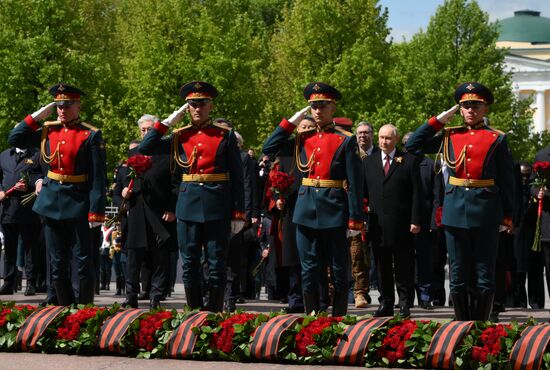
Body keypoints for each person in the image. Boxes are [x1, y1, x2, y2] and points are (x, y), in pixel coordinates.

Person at [405, 82, 515, 321]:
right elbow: (412, 145)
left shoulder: (497, 138)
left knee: (485, 272)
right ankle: (461, 325)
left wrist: (508, 216)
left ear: (485, 108)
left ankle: (481, 325)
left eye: (475, 105)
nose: (470, 110)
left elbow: (508, 182)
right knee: (458, 272)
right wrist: (439, 120)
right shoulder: (448, 135)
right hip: (455, 211)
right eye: (465, 106)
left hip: (486, 211)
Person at [139, 81, 244, 312]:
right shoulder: (179, 135)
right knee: (189, 264)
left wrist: (238, 212)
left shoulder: (224, 136)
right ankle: (194, 311)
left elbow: (237, 177)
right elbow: (145, 148)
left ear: (210, 106)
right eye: (192, 105)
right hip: (187, 205)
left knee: (216, 263)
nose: (197, 108)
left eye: (202, 104)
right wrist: (167, 122)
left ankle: (214, 311)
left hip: (217, 203)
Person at [263, 82, 363, 316]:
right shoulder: (301, 139)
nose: (317, 111)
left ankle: (338, 317)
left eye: (322, 106)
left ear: (333, 107)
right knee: (308, 267)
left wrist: (356, 219)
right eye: (313, 107)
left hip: (334, 208)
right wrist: (292, 122)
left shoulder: (345, 140)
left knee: (338, 268)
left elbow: (356, 184)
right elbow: (269, 146)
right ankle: (312, 317)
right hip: (306, 209)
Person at [8, 83, 107, 305]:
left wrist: (96, 211)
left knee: (83, 260)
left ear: (77, 106)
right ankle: (62, 307)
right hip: (52, 201)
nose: (61, 110)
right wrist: (37, 115)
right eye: (58, 106)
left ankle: (83, 308)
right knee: (57, 260)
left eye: (67, 105)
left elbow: (98, 177)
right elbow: (15, 138)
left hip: (79, 201)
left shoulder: (90, 134)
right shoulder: (47, 130)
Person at [364, 124, 421, 318]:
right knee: (382, 267)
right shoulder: (368, 162)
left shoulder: (408, 161)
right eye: (380, 137)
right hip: (378, 225)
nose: (383, 141)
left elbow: (417, 194)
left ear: (396, 139)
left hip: (402, 225)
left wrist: (416, 220)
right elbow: (363, 194)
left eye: (388, 138)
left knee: (404, 266)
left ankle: (404, 304)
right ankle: (386, 302)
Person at [121, 115, 177, 309]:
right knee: (133, 255)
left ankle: (156, 295)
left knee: (160, 255)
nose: (146, 133)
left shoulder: (168, 152)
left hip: (160, 211)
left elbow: (175, 184)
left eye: (150, 129)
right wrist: (123, 192)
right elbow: (124, 180)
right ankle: (131, 295)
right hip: (137, 210)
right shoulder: (133, 153)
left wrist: (171, 208)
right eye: (143, 130)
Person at [0, 146, 43, 295]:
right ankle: (8, 282)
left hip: (29, 209)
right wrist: (0, 190)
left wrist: (30, 186)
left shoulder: (37, 154)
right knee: (9, 248)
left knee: (30, 248)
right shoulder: (4, 155)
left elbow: (41, 177)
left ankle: (31, 283)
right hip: (8, 209)